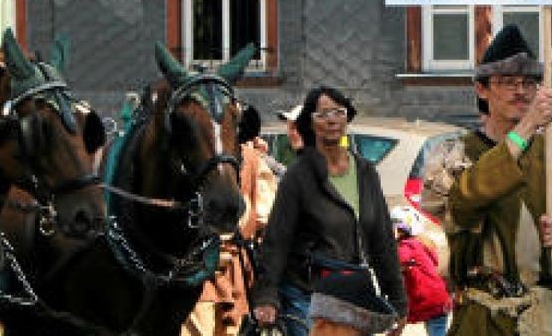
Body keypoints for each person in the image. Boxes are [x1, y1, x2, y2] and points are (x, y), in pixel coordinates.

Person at [421, 25, 552, 336]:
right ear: (482, 89)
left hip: (550, 318)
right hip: (482, 319)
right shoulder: (455, 156)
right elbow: (463, 205)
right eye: (506, 82)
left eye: (529, 82)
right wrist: (528, 126)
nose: (520, 91)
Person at [252, 86, 406, 336]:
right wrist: (267, 296)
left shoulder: (366, 172)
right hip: (308, 297)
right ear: (311, 125)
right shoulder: (298, 176)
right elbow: (277, 240)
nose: (332, 120)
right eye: (322, 115)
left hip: (352, 296)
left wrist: (397, 300)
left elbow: (382, 240)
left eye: (338, 112)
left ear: (347, 118)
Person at [184, 135, 278, 336]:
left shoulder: (192, 154)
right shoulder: (252, 158)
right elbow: (265, 215)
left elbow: (266, 215)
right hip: (208, 268)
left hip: (212, 267)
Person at [388, 206, 451, 336]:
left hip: (428, 303)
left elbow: (397, 263)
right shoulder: (421, 244)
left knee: (396, 325)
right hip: (438, 300)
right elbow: (434, 261)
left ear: (401, 229)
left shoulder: (406, 246)